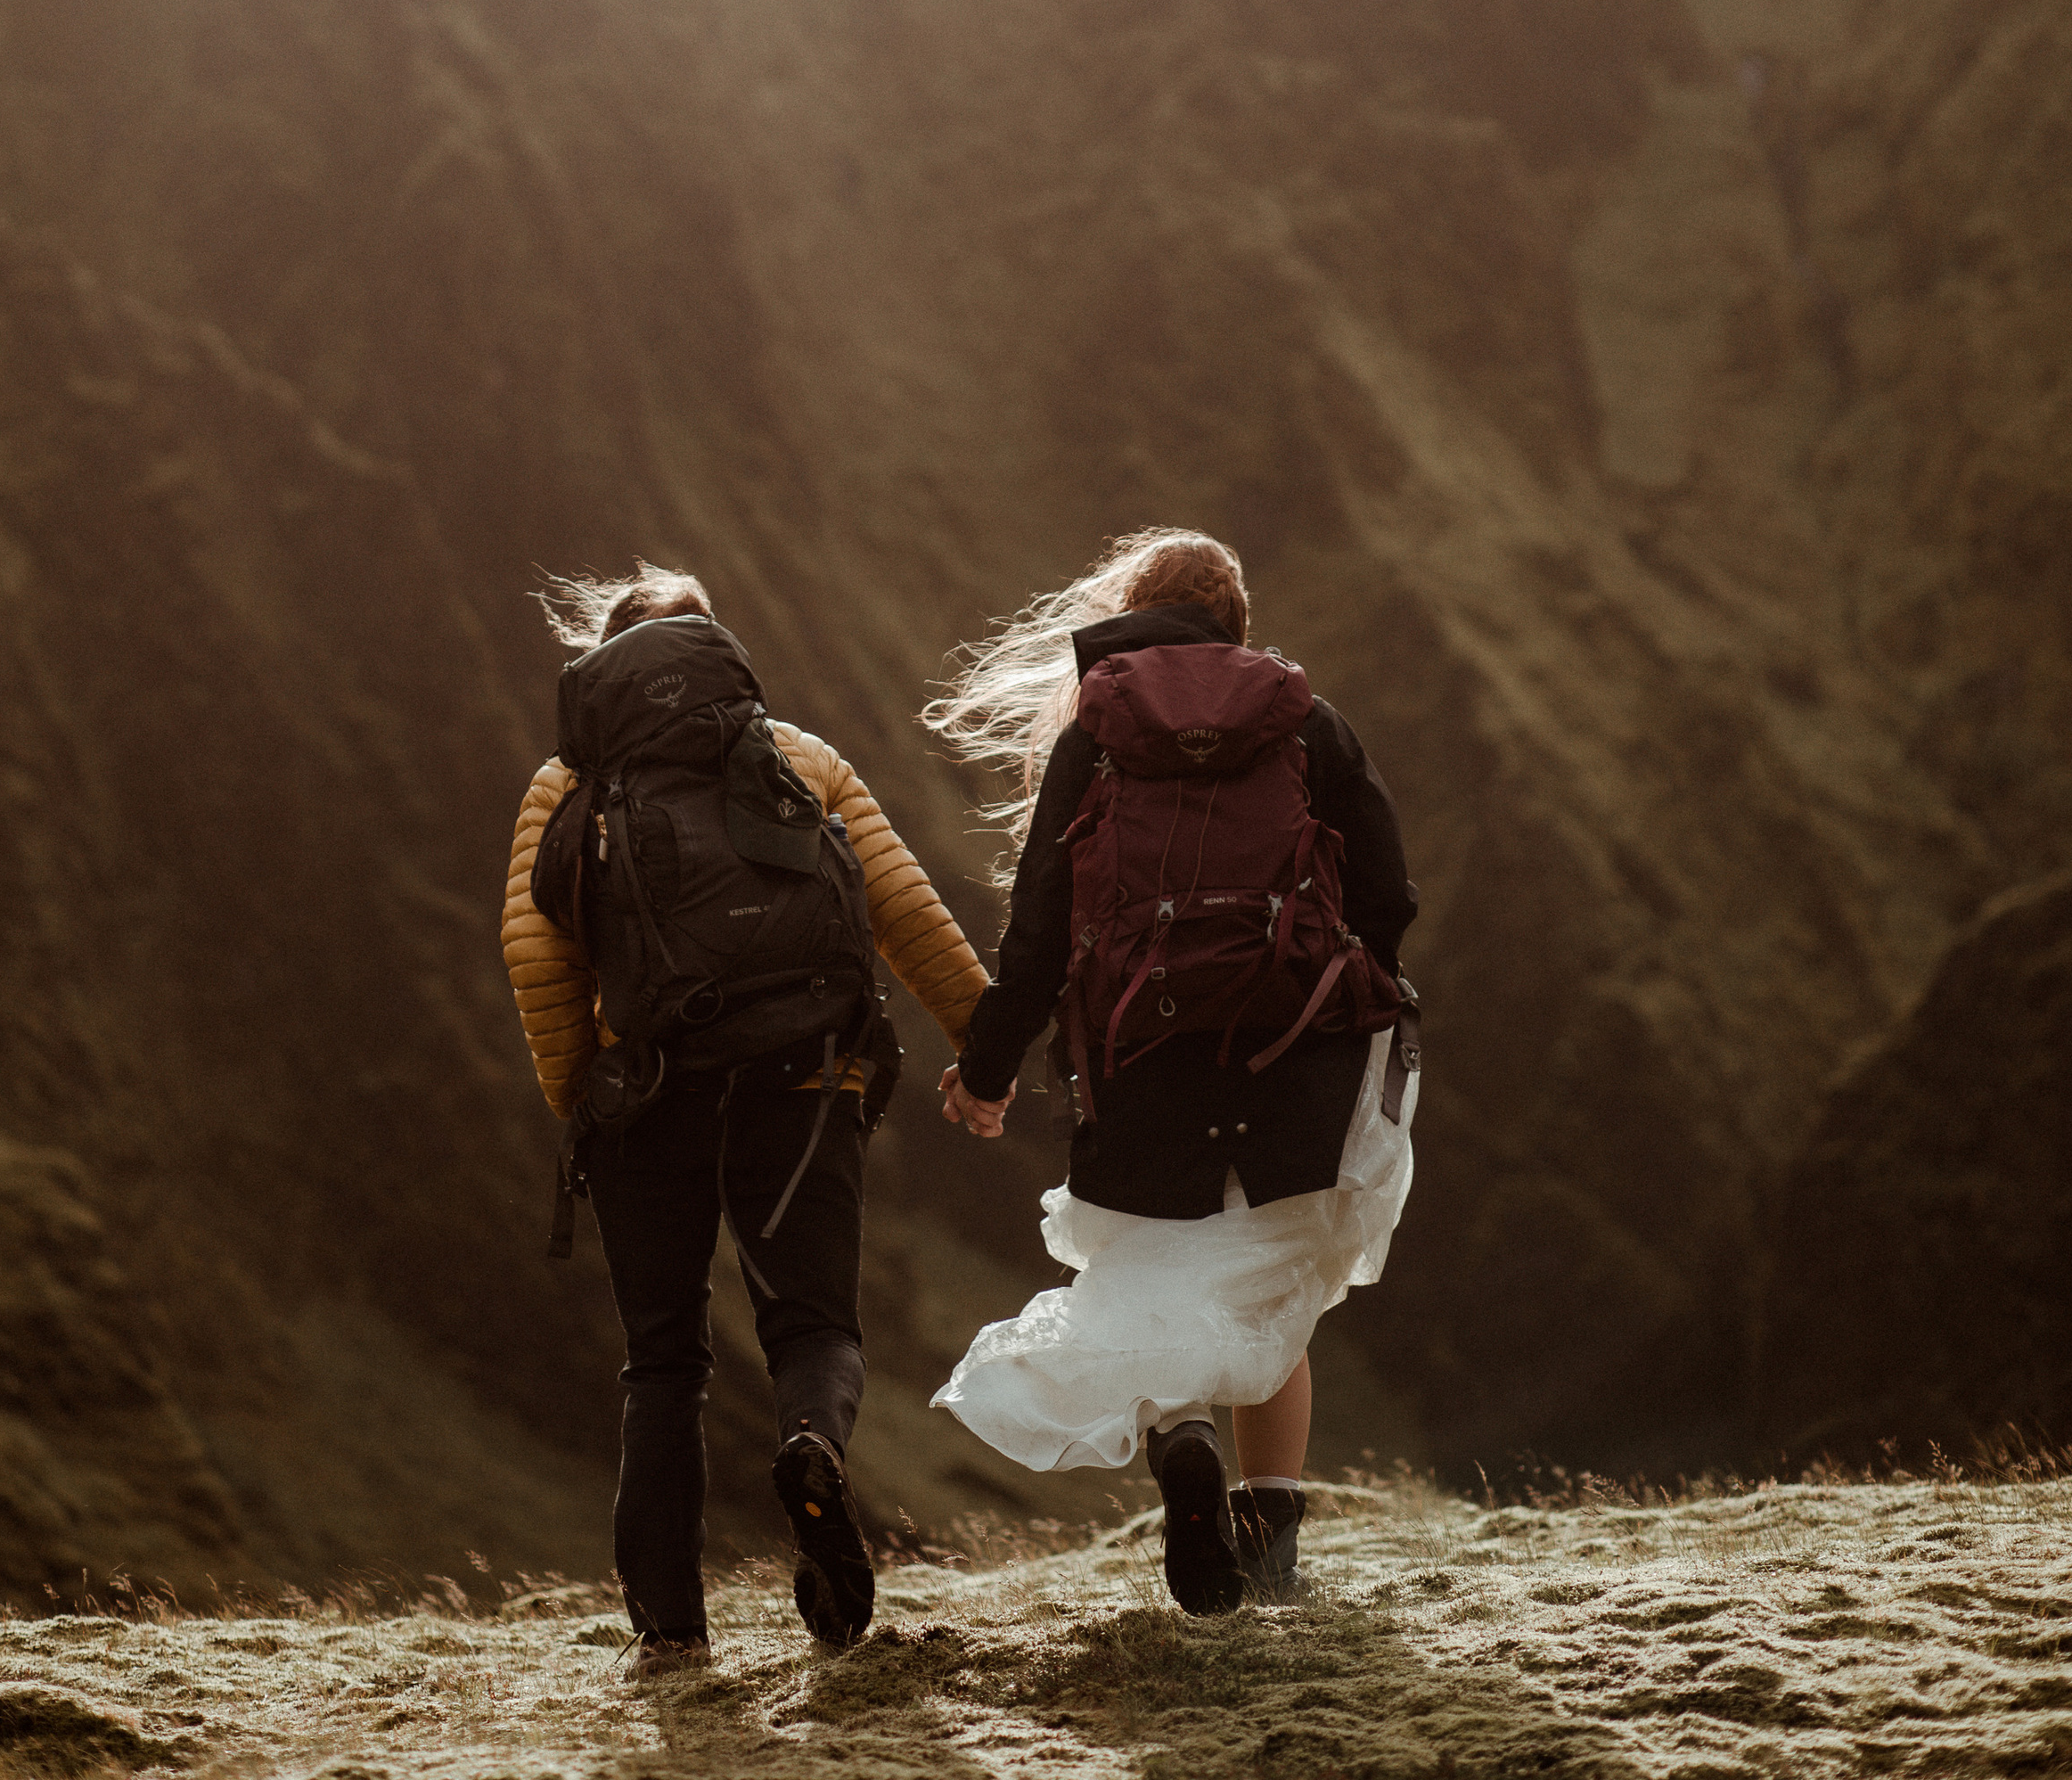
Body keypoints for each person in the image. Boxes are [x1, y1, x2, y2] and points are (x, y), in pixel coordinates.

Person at [502, 561, 987, 1670]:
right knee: (812, 1327)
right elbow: (903, 910)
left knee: (662, 1364)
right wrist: (983, 1051)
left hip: (648, 1096)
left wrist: (583, 1095)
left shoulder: (566, 781)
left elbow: (533, 946)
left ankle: (670, 1633)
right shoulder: (797, 755)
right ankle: (812, 1446)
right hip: (801, 1079)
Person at [926, 526, 1418, 1615]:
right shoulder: (1305, 723)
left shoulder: (1092, 740)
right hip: (1295, 1056)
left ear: (1137, 611)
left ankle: (1185, 1439)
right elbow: (1387, 891)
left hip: (1138, 1060)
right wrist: (1350, 987)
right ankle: (1272, 1548)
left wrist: (987, 1070)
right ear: (1235, 625)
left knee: (1156, 1277)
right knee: (1274, 1291)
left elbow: (1039, 937)